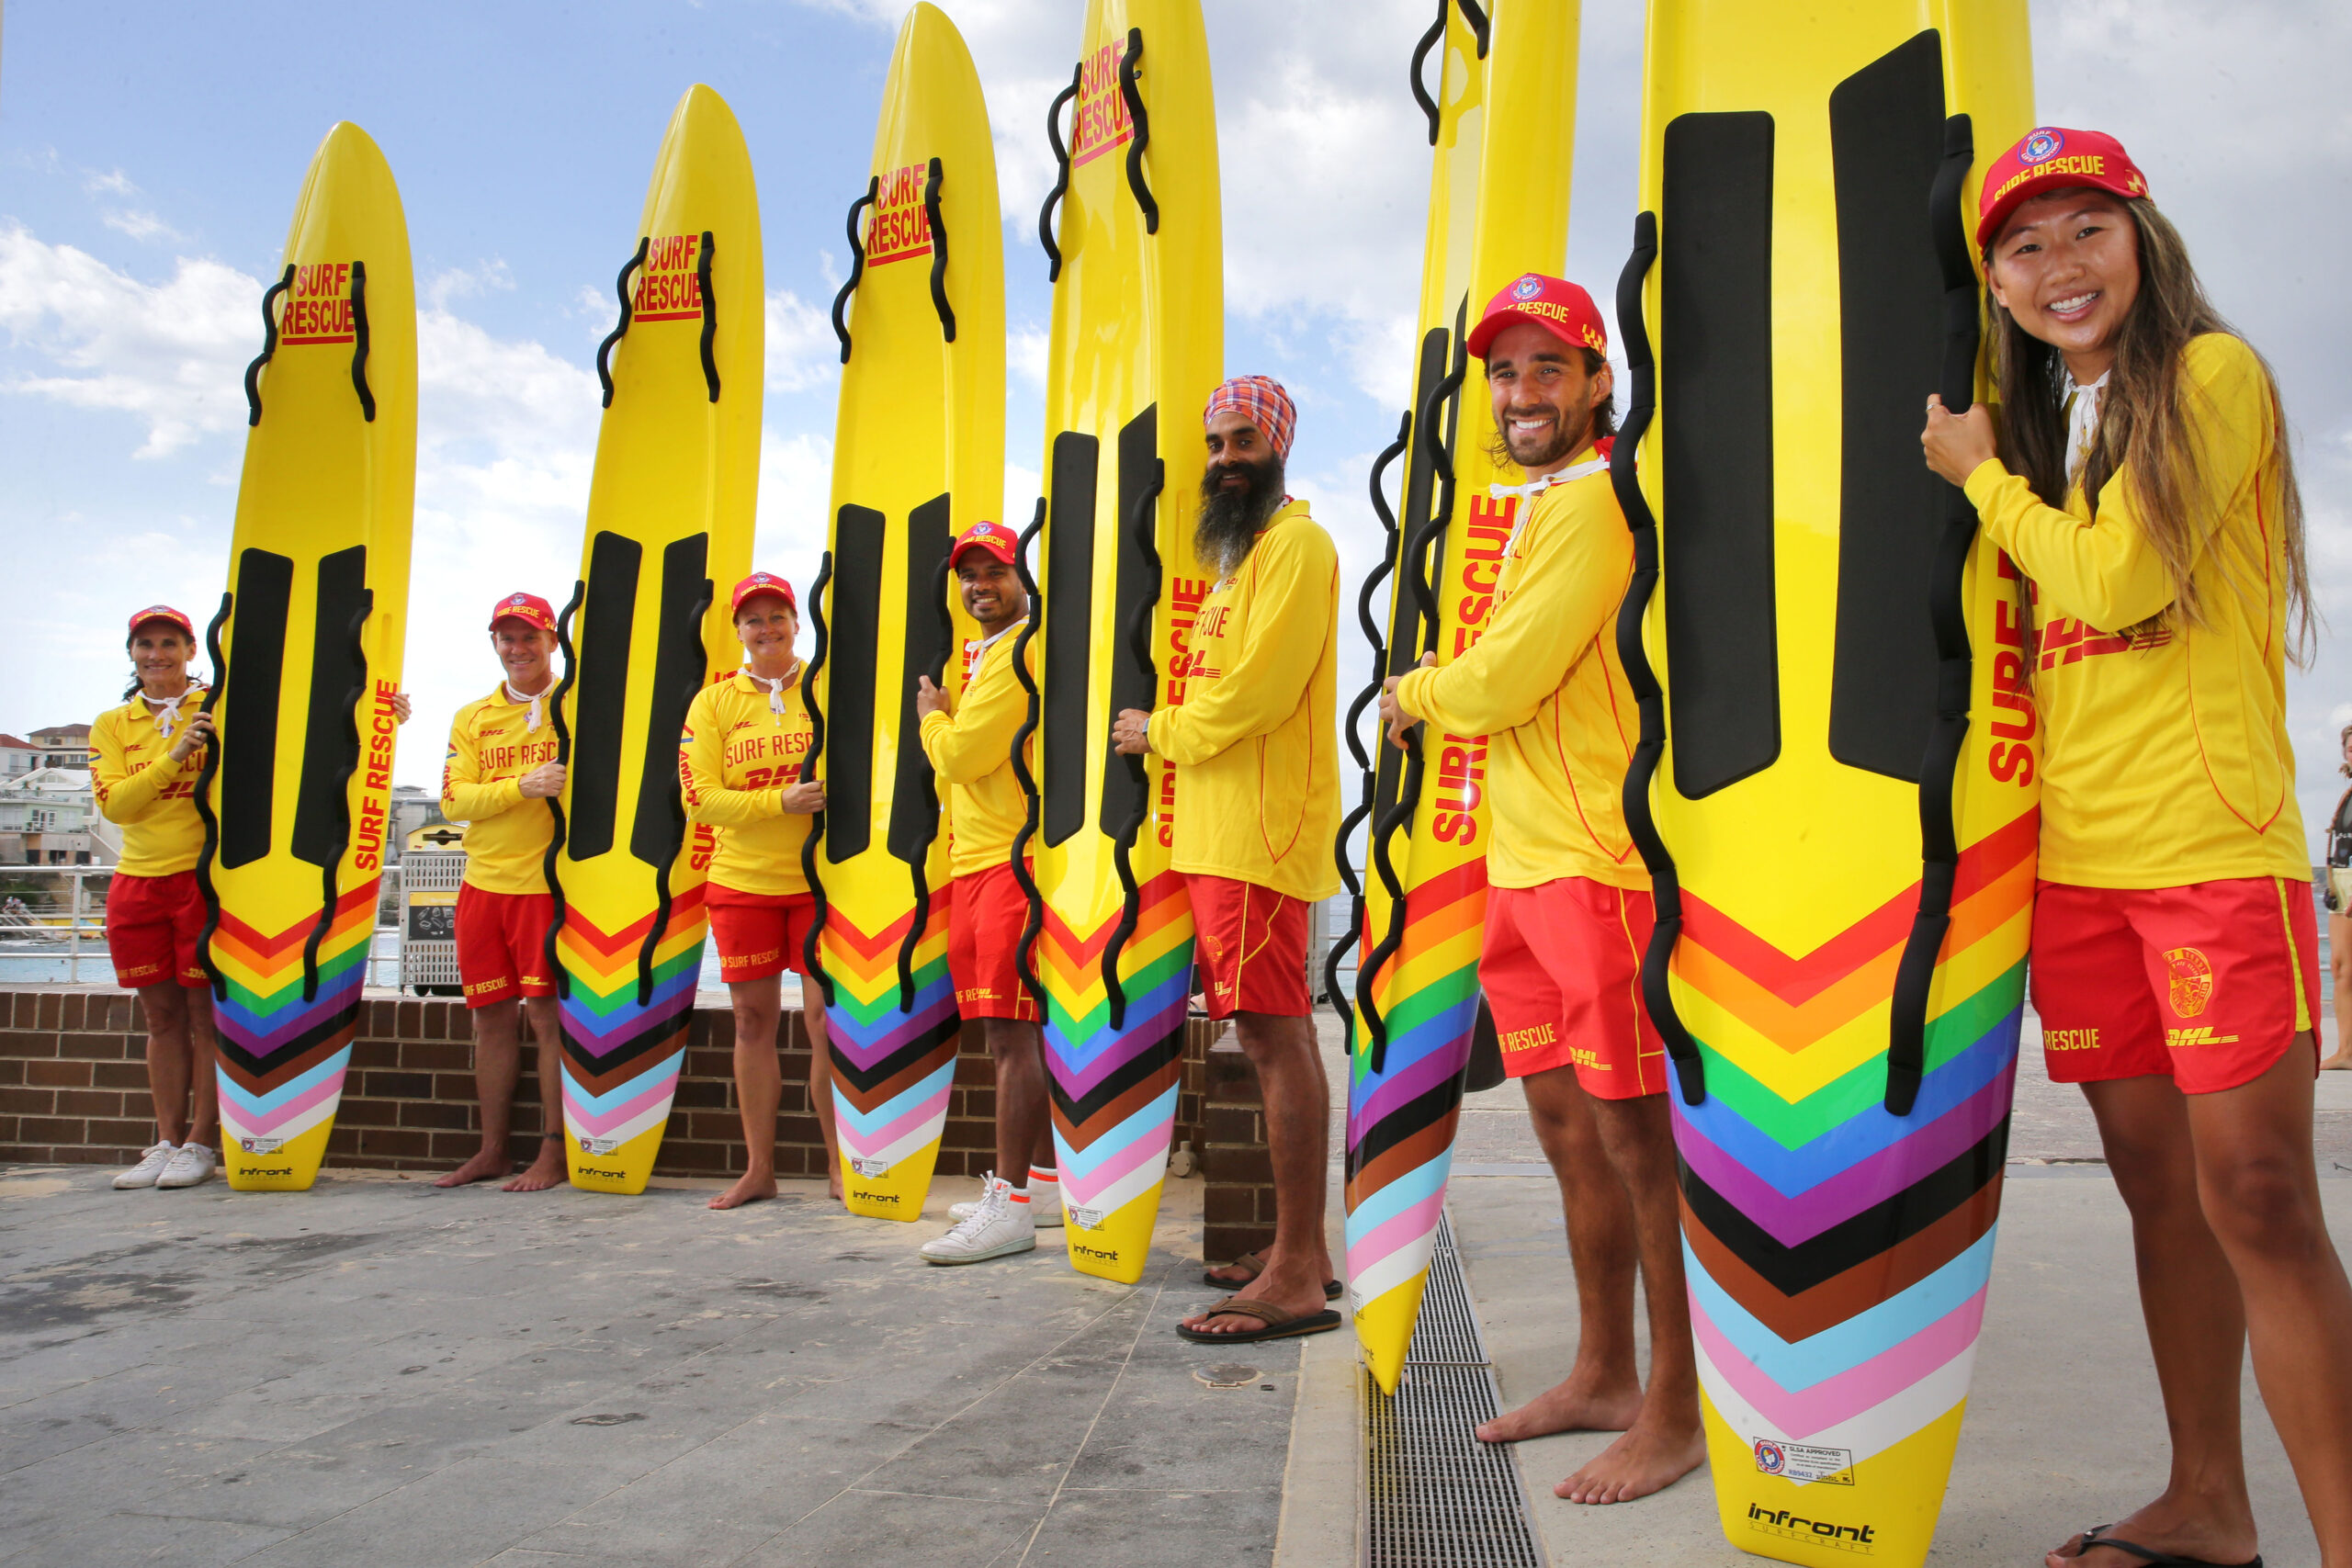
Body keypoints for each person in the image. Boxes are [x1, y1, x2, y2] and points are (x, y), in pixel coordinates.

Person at [1923, 127, 2352, 1568]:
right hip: (2082, 869)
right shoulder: (2057, 430)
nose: (2060, 266)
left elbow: (2119, 579)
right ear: (1996, 284)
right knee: (2159, 1190)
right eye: (2024, 247)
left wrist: (1980, 481)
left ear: (2143, 238)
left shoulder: (2208, 377)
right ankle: (2210, 1501)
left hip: (2212, 845)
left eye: (2086, 229)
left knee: (2261, 1192)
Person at [1377, 276, 1704, 1505]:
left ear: (1599, 380)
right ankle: (1603, 1369)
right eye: (1504, 373)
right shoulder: (1530, 503)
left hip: (1600, 863)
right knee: (1569, 1131)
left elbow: (1506, 676)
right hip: (1521, 863)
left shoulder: (1599, 499)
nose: (1522, 393)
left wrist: (1417, 693)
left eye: (1547, 369)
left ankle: (1674, 1403)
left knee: (1636, 1138)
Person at [1111, 374, 1342, 1344]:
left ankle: (1293, 1272)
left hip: (1257, 838)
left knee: (1276, 1038)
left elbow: (1254, 695)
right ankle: (1303, 1253)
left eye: (1241, 440)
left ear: (1277, 444)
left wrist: (1153, 729)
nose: (1223, 460)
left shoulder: (1297, 547)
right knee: (1261, 1034)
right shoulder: (1239, 566)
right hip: (1214, 838)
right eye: (1214, 445)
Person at [912, 519, 1060, 1263]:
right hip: (976, 858)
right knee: (1010, 1031)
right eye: (969, 574)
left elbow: (967, 753)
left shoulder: (1021, 649)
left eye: (995, 571)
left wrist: (932, 725)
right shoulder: (985, 655)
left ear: (1021, 578)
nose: (980, 586)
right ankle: (1035, 1182)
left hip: (1011, 858)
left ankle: (1011, 1208)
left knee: (1009, 1031)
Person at [680, 572, 842, 1210]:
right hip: (741, 883)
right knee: (752, 1021)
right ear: (738, 631)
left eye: (778, 617)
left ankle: (837, 1164)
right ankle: (759, 1169)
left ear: (797, 624)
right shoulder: (713, 703)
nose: (767, 629)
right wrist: (781, 799)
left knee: (825, 1024)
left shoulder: (825, 685)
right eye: (754, 620)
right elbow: (700, 799)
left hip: (819, 882)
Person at [435, 592, 570, 1191]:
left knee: (546, 1018)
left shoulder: (573, 702)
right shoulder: (472, 716)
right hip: (481, 885)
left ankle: (554, 1151)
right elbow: (454, 800)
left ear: (551, 640)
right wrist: (523, 785)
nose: (518, 648)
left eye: (529, 637)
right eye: (506, 638)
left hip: (546, 886)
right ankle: (491, 1149)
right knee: (489, 1019)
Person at [91, 607, 222, 1190]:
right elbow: (117, 806)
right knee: (160, 1017)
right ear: (131, 653)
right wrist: (173, 758)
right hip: (137, 882)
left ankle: (201, 1141)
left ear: (192, 650)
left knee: (203, 1016)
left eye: (169, 643)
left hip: (203, 878)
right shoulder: (112, 724)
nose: (157, 654)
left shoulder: (218, 703)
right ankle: (166, 1140)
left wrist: (383, 716)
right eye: (145, 644)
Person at [2324, 724, 2352, 1073]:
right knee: (2340, 970)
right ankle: (2346, 1051)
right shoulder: (2347, 795)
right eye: (2349, 747)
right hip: (2341, 886)